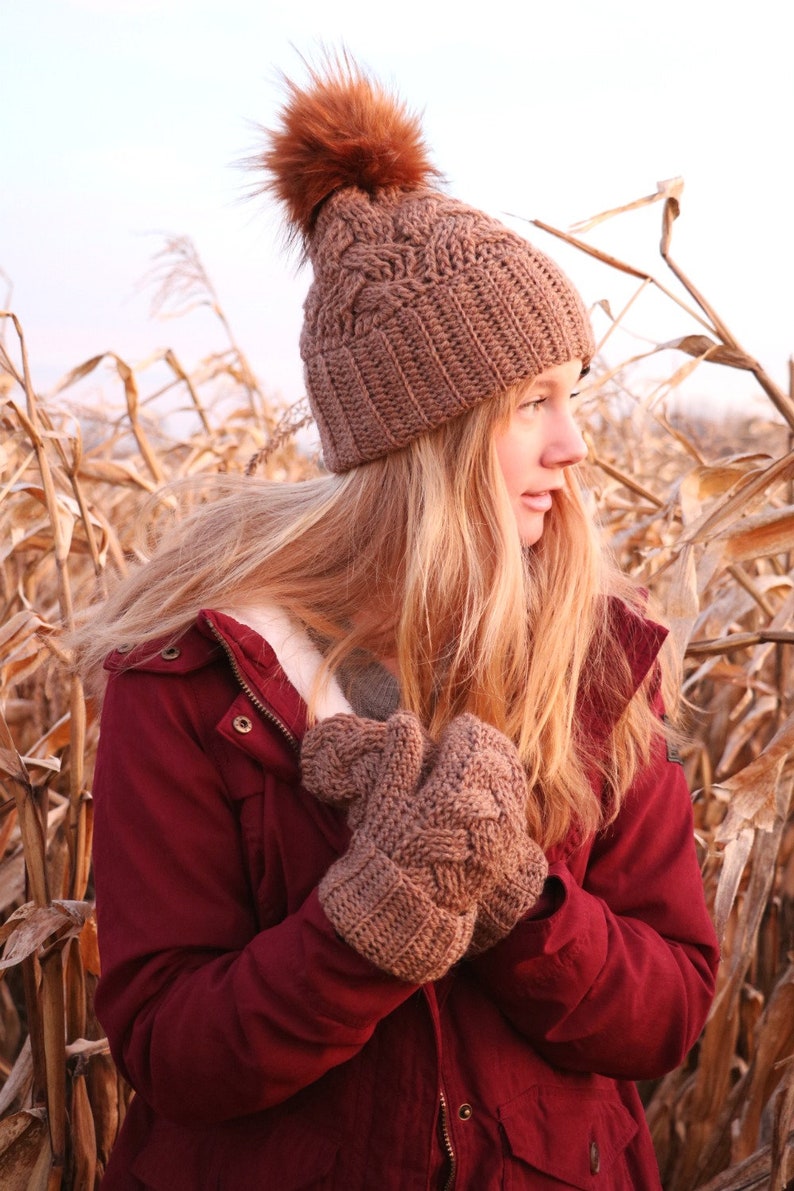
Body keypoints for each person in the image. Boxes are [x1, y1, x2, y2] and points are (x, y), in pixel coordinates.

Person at [77, 56, 719, 1190]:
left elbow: (667, 1010)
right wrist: (367, 925)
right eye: (532, 404)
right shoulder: (195, 681)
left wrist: (520, 900)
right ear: (429, 441)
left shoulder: (591, 666)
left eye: (571, 394)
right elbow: (169, 1050)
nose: (572, 446)